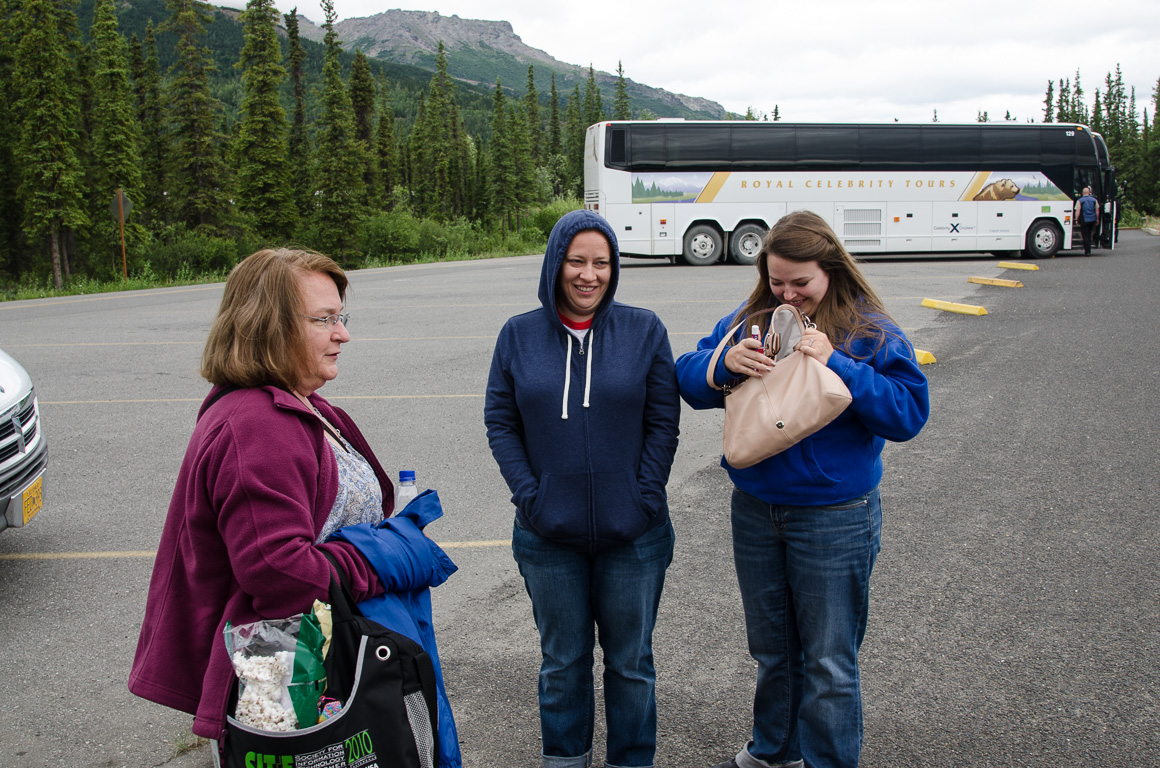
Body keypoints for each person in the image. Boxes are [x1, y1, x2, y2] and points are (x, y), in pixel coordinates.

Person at [127, 248, 459, 766]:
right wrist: (384, 554)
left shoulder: (298, 402)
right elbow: (280, 573)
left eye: (340, 316)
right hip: (295, 678)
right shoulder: (256, 426)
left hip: (321, 655)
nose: (342, 333)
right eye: (324, 319)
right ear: (270, 326)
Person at [675, 212, 930, 768]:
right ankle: (774, 753)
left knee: (829, 661)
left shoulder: (870, 330)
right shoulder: (750, 320)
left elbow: (909, 412)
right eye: (776, 280)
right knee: (773, 651)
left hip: (834, 515)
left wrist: (836, 362)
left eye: (801, 282)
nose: (788, 292)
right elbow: (686, 374)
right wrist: (721, 363)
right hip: (758, 509)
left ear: (831, 271)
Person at [485, 209, 681, 768]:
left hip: (635, 535)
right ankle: (566, 760)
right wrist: (531, 495)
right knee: (562, 663)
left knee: (630, 663)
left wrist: (645, 497)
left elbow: (662, 421)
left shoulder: (644, 330)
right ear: (556, 263)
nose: (589, 274)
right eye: (577, 261)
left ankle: (630, 760)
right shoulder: (518, 335)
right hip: (548, 535)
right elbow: (501, 420)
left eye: (602, 262)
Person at [1075, 186, 1099, 256]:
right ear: (1089, 193)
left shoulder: (1080, 201)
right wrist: (1097, 219)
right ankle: (1090, 248)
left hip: (1084, 220)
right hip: (1092, 220)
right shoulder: (1094, 200)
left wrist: (1077, 219)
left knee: (1085, 235)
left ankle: (1087, 251)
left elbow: (1077, 211)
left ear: (1082, 193)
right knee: (1089, 234)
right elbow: (1097, 210)